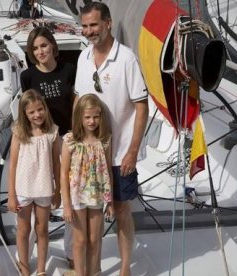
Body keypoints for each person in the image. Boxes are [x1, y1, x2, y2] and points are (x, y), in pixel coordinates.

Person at [74, 2, 149, 276]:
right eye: (84, 26)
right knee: (88, 210)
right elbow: (78, 101)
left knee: (121, 209)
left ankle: (125, 268)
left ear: (107, 22)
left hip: (119, 154)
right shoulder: (82, 58)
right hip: (90, 154)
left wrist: (132, 151)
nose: (89, 31)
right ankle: (87, 266)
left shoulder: (127, 59)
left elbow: (142, 106)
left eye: (93, 25)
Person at [20, 26, 76, 267]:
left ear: (53, 45)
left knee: (71, 196)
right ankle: (26, 254)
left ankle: (72, 252)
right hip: (39, 144)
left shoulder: (69, 70)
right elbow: (27, 111)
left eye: (43, 45)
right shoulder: (28, 76)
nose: (40, 51)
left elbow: (76, 103)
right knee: (36, 197)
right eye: (35, 48)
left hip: (67, 138)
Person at [8, 89, 61, 276]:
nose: (37, 114)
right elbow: (12, 165)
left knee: (42, 229)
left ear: (45, 109)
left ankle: (40, 270)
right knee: (23, 230)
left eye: (40, 109)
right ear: (25, 114)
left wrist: (58, 190)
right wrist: (11, 196)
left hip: (45, 188)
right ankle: (24, 269)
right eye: (31, 112)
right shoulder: (19, 132)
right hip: (23, 189)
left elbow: (56, 163)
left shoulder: (53, 132)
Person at [61, 94, 114, 276]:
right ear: (79, 117)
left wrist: (111, 200)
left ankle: (94, 272)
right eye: (87, 117)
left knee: (94, 239)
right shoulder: (70, 140)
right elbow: (63, 173)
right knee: (80, 240)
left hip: (97, 195)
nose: (92, 121)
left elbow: (108, 170)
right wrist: (66, 204)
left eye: (96, 116)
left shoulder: (105, 139)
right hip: (77, 197)